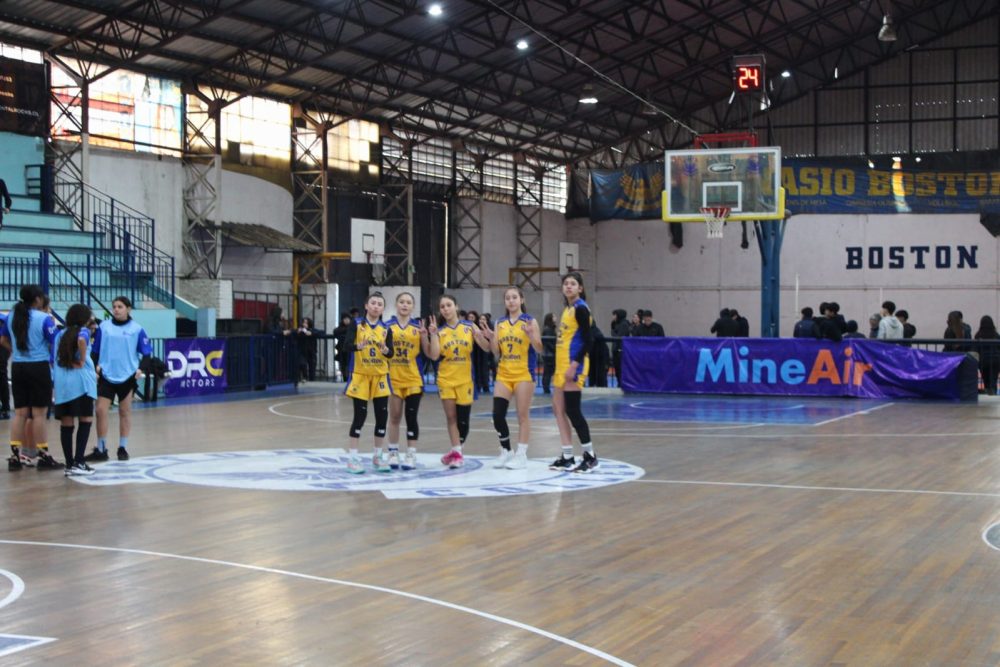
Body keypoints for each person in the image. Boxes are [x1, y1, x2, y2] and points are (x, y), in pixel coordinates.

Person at [479, 286, 543, 470]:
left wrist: (531, 336)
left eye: (514, 297)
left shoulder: (530, 321)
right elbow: (496, 352)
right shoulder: (500, 323)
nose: (511, 300)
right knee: (497, 415)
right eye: (508, 298)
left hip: (524, 373)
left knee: (522, 415)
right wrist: (491, 338)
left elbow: (539, 348)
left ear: (521, 300)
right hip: (504, 373)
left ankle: (522, 454)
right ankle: (506, 451)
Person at [85, 296, 153, 462]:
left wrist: (141, 368)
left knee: (125, 411)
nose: (116, 309)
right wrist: (95, 367)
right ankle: (101, 448)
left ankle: (122, 447)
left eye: (120, 306)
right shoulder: (104, 327)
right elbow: (95, 351)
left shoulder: (137, 329)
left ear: (128, 309)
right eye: (114, 306)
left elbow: (146, 353)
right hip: (107, 375)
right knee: (100, 410)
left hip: (127, 376)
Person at [1, 285, 60, 471]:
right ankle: (43, 455)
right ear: (37, 300)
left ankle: (15, 455)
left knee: (20, 413)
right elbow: (55, 341)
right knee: (39, 414)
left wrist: (16, 352)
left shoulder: (11, 316)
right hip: (38, 367)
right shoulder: (44, 318)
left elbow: (2, 340)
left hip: (18, 367)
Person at [431, 295, 490, 469]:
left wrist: (485, 336)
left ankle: (457, 450)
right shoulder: (440, 331)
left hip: (465, 380)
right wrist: (433, 335)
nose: (446, 309)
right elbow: (434, 355)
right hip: (446, 378)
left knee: (463, 420)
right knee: (451, 418)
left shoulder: (469, 327)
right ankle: (457, 452)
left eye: (449, 305)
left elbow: (486, 348)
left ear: (456, 307)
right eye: (442, 307)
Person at [549, 271, 599, 473]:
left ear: (580, 288)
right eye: (566, 283)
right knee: (558, 409)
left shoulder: (580, 309)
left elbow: (589, 340)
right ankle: (568, 455)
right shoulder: (567, 309)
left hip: (573, 365)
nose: (568, 286)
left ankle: (590, 455)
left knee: (573, 410)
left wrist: (574, 364)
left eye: (573, 283)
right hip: (562, 365)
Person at [344, 292, 394, 474]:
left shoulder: (387, 328)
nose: (375, 306)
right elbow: (346, 345)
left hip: (380, 376)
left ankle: (378, 455)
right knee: (360, 416)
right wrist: (358, 346)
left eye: (379, 304)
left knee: (382, 416)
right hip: (361, 375)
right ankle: (353, 457)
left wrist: (387, 350)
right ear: (366, 305)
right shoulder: (356, 325)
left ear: (383, 308)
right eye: (373, 303)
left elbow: (391, 353)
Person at [385, 292, 432, 471]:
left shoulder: (418, 327)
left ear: (413, 307)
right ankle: (393, 452)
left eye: (408, 302)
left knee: (411, 418)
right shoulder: (388, 326)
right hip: (394, 378)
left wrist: (425, 336)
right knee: (394, 416)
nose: (405, 305)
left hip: (413, 378)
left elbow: (428, 352)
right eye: (402, 302)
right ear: (396, 305)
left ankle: (411, 453)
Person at [52, 304, 98, 476]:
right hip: (81, 384)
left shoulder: (59, 335)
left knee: (67, 423)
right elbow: (81, 339)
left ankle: (69, 464)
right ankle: (79, 461)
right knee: (85, 420)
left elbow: (53, 359)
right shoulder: (83, 331)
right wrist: (82, 358)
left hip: (63, 385)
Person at [974, 315, 1000, 395]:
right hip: (995, 361)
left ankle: (988, 394)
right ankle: (994, 394)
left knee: (986, 380)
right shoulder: (996, 335)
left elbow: (976, 349)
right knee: (993, 380)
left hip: (983, 362)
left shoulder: (978, 335)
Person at [610, 309, 630, 387]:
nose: (613, 317)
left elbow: (618, 336)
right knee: (617, 369)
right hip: (616, 350)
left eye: (614, 315)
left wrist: (612, 331)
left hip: (620, 350)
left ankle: (622, 384)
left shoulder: (624, 324)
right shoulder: (616, 324)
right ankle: (619, 383)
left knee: (620, 369)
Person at [296, 317, 319, 382]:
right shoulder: (300, 330)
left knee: (312, 366)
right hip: (302, 351)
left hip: (311, 351)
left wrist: (311, 333)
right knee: (302, 364)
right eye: (303, 322)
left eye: (306, 323)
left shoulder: (312, 330)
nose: (304, 324)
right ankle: (304, 377)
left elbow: (320, 332)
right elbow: (294, 332)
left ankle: (312, 380)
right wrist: (298, 332)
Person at [333, 312, 352, 382]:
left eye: (348, 319)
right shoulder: (340, 328)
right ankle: (345, 378)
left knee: (349, 364)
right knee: (343, 365)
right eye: (345, 319)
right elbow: (336, 331)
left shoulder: (352, 327)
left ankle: (349, 378)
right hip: (342, 349)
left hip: (350, 349)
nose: (346, 320)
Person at [541, 313, 557, 394]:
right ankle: (546, 388)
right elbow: (549, 343)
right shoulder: (548, 330)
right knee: (548, 372)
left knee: (548, 372)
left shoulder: (551, 329)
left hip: (549, 353)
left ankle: (546, 387)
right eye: (554, 316)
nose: (556, 317)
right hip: (549, 354)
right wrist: (556, 349)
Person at [0, 309, 10, 419]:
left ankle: (5, 407)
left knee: (2, 377)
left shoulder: (3, 318)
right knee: (3, 377)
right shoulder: (4, 318)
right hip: (3, 350)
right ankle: (5, 408)